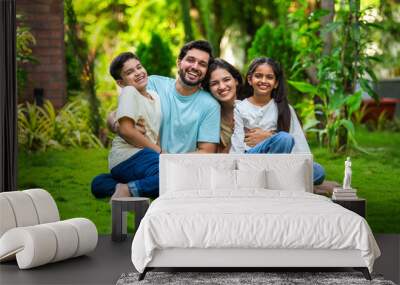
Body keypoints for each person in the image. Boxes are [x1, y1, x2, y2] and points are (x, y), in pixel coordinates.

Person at [91, 40, 220, 198]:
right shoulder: (153, 84)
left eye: (202, 64)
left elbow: (206, 152)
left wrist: (170, 160)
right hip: (143, 158)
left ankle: (130, 188)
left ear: (206, 70)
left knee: (101, 183)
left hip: (172, 164)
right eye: (190, 60)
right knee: (172, 179)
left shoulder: (210, 105)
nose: (195, 67)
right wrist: (117, 125)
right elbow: (118, 113)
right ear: (179, 62)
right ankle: (150, 185)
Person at [204, 58, 325, 185]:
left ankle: (268, 181)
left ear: (236, 80)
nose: (222, 86)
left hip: (277, 159)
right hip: (248, 161)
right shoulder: (216, 113)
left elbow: (297, 144)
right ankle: (275, 182)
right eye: (214, 83)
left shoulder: (282, 108)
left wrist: (269, 137)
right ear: (250, 80)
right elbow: (222, 156)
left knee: (317, 171)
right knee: (284, 140)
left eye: (226, 80)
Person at [104, 52, 161, 200]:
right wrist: (159, 152)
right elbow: (126, 130)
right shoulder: (129, 92)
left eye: (139, 67)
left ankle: (109, 185)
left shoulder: (154, 96)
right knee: (171, 175)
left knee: (99, 183)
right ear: (121, 83)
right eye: (130, 72)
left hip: (141, 158)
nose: (138, 73)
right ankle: (129, 189)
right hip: (128, 156)